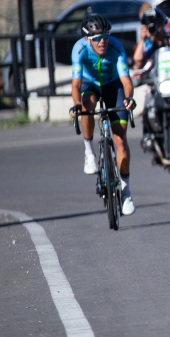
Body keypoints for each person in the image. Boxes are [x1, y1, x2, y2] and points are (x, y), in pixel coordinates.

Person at [70, 13, 137, 215]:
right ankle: (89, 152)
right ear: (87, 39)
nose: (102, 42)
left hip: (112, 85)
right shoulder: (79, 49)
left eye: (105, 36)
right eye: (97, 38)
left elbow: (126, 81)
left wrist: (129, 98)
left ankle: (126, 192)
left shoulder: (115, 47)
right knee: (86, 104)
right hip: (90, 84)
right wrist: (76, 104)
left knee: (121, 140)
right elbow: (76, 84)